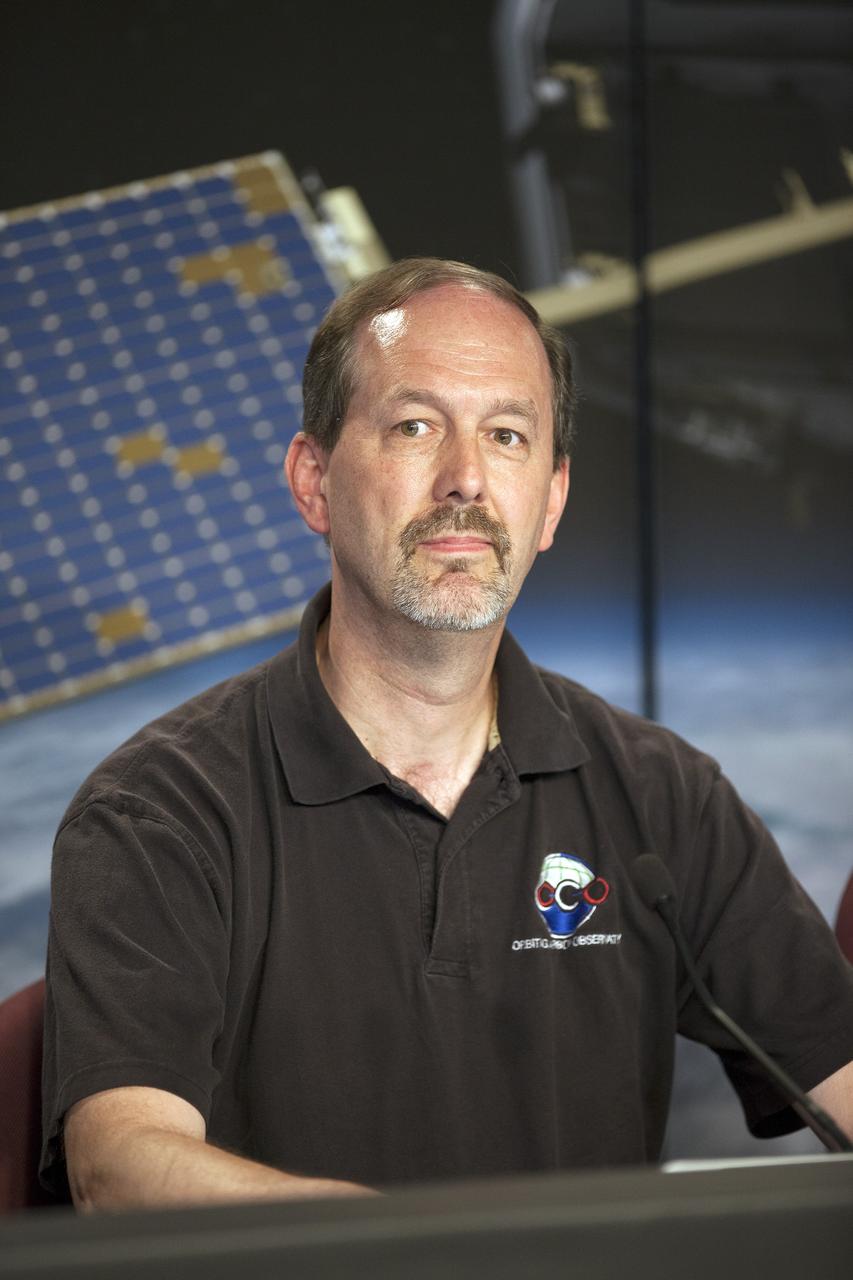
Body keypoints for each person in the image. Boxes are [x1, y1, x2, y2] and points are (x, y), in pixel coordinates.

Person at [41, 258, 853, 1211]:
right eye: (415, 426)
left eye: (506, 435)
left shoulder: (662, 796)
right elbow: (121, 1168)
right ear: (313, 482)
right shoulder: (158, 811)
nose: (465, 478)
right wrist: (411, 1259)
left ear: (550, 501)